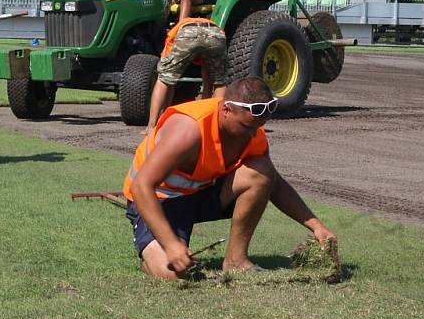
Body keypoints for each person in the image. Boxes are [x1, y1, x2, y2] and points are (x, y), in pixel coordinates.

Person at [123, 77, 337, 279]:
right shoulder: (188, 130)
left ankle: (236, 260)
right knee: (169, 273)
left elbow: (275, 184)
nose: (253, 136)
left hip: (201, 195)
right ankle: (153, 252)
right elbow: (142, 186)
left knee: (261, 171)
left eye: (258, 128)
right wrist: (170, 245)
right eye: (246, 127)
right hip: (160, 201)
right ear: (226, 109)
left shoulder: (252, 131)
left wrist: (316, 225)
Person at [147, 17, 227, 132]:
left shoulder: (172, 34)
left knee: (163, 78)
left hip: (188, 33)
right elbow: (206, 79)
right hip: (216, 33)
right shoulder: (207, 22)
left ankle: (151, 126)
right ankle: (214, 125)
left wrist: (165, 112)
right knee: (219, 82)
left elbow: (168, 81)